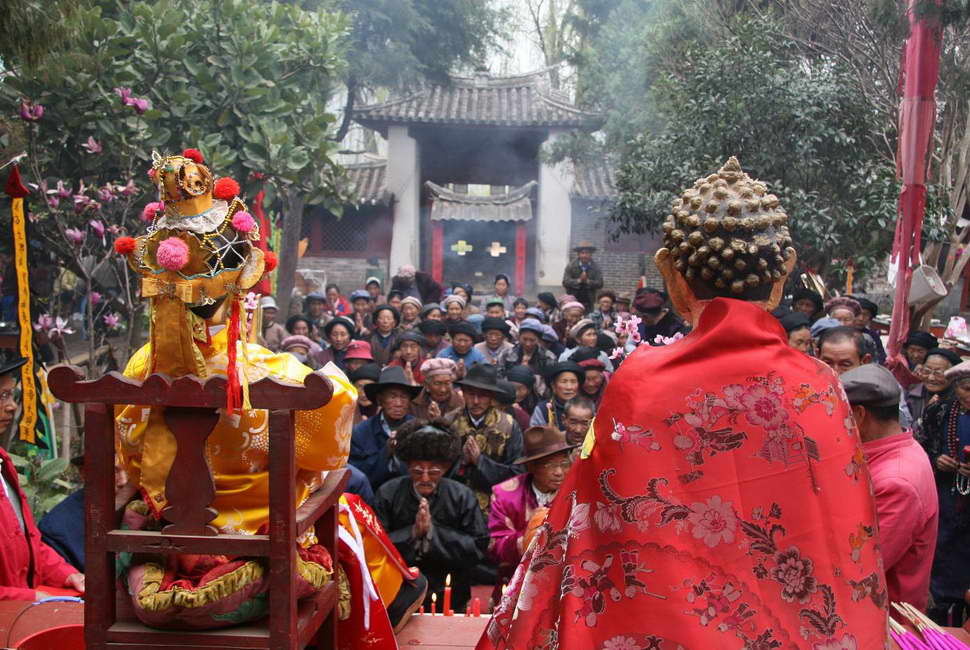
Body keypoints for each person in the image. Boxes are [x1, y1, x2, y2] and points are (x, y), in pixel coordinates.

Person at [478, 158, 887, 649]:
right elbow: (844, 536)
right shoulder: (819, 385)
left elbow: (590, 522)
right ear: (783, 274)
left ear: (671, 274)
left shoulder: (642, 381)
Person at [841, 364, 938, 611]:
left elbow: (861, 568)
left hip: (886, 617)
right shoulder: (900, 447)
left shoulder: (896, 481)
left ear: (859, 415)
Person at [374, 419, 487, 612]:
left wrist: (433, 533)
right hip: (400, 588)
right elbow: (374, 546)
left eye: (434, 472)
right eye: (417, 471)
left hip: (450, 587)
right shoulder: (388, 493)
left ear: (444, 469)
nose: (425, 478)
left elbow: (478, 547)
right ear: (408, 467)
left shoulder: (461, 495)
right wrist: (413, 533)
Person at [0, 357, 86, 599]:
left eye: (11, 396)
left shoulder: (3, 464)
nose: (12, 406)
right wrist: (30, 599)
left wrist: (67, 574)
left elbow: (29, 543)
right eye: (2, 396)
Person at [487, 426, 577, 590]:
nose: (559, 472)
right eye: (549, 465)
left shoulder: (577, 494)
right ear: (532, 467)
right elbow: (495, 546)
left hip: (563, 583)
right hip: (516, 583)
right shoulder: (505, 495)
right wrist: (529, 535)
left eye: (564, 463)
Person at [918, 360, 970, 624]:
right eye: (966, 389)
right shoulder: (939, 411)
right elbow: (918, 447)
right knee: (943, 551)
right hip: (945, 497)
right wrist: (937, 459)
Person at [444, 364, 525, 512]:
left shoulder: (508, 425)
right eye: (470, 394)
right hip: (454, 504)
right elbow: (437, 468)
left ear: (492, 397)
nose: (475, 401)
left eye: (482, 395)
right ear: (462, 393)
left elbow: (517, 473)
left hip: (496, 506)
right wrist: (462, 460)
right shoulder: (449, 422)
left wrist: (480, 461)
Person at [819, 326, 912, 427]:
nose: (835, 371)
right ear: (816, 356)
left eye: (845, 365)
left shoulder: (882, 389)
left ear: (865, 361)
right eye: (827, 363)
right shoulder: (806, 388)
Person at [349, 366, 419, 489]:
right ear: (380, 400)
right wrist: (386, 452)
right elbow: (358, 477)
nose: (398, 403)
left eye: (403, 397)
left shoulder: (418, 429)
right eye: (392, 397)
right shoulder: (361, 432)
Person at [908, 347, 961, 433]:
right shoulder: (911, 394)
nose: (931, 378)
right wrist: (925, 417)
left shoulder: (961, 402)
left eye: (938, 373)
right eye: (927, 371)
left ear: (953, 375)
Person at [500, 319, 556, 394]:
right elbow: (499, 375)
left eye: (532, 340)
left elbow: (551, 381)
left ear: (538, 339)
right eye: (524, 339)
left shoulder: (548, 357)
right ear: (519, 337)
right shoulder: (507, 353)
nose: (528, 343)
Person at [530, 361, 585, 429]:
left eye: (573, 382)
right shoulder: (543, 409)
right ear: (553, 386)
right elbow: (536, 437)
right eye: (563, 381)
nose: (569, 387)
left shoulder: (587, 407)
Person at [562, 241, 603, 310]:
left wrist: (588, 281)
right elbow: (565, 282)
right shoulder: (571, 266)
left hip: (589, 301)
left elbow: (600, 283)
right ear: (578, 254)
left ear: (591, 254)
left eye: (587, 253)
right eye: (582, 253)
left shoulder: (596, 267)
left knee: (588, 319)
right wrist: (579, 280)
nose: (584, 256)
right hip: (573, 300)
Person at [852, 296, 887, 364]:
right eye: (858, 314)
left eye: (866, 315)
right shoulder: (842, 332)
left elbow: (881, 357)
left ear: (870, 318)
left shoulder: (873, 336)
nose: (861, 318)